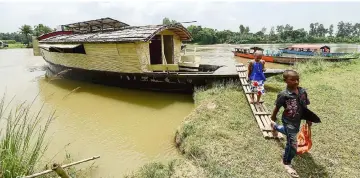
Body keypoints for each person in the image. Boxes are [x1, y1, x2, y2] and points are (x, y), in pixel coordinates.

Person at [270, 70, 312, 178]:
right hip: (288, 120)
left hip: (297, 120)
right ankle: (286, 161)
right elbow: (277, 108)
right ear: (285, 81)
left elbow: (305, 106)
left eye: (297, 79)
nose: (296, 82)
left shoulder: (303, 92)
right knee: (292, 144)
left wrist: (308, 118)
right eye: (292, 80)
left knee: (290, 132)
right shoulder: (283, 95)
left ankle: (275, 127)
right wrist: (273, 118)